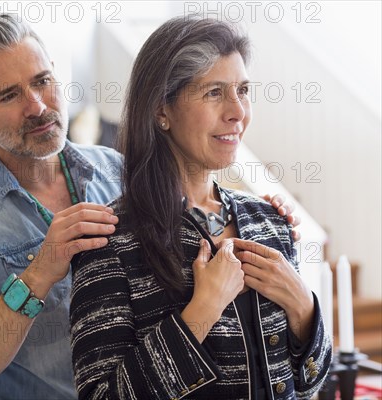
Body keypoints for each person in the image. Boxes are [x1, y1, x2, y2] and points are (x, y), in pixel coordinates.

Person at [0, 13, 303, 400]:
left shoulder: (122, 170)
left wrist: (259, 219)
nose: (36, 105)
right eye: (9, 95)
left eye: (43, 81)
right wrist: (39, 274)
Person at [70, 16, 332, 400]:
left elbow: (312, 384)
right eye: (214, 92)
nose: (237, 111)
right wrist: (203, 310)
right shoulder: (110, 243)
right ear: (162, 109)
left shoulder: (269, 222)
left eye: (242, 90)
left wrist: (303, 306)